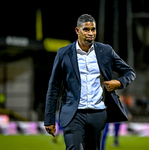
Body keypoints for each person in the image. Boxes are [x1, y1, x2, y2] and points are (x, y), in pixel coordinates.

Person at [44, 14, 136, 150]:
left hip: (98, 113)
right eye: (86, 29)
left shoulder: (105, 51)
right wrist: (49, 119)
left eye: (93, 29)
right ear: (77, 31)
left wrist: (119, 82)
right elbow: (53, 87)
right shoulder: (64, 53)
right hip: (73, 114)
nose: (91, 33)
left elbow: (130, 72)